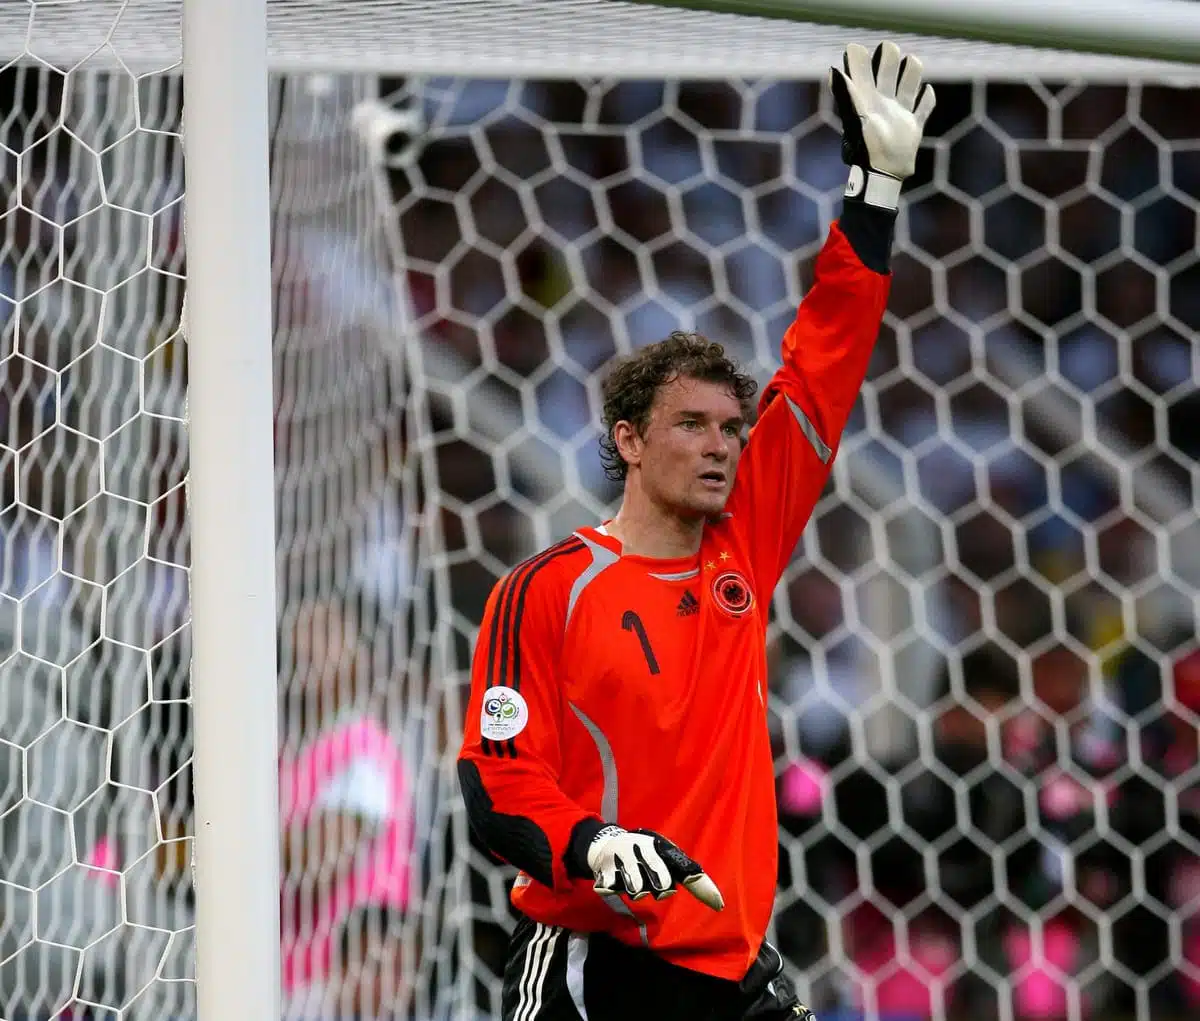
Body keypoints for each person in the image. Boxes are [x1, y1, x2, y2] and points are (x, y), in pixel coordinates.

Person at [457, 40, 936, 1021]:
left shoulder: (741, 548)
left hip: (730, 967)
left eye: (730, 427)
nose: (721, 445)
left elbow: (820, 371)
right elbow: (496, 779)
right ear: (628, 440)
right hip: (595, 963)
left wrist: (875, 196)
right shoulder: (545, 589)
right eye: (691, 425)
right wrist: (591, 841)